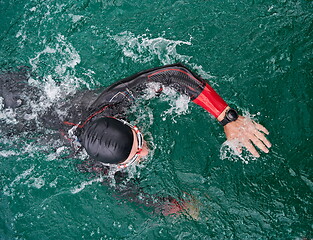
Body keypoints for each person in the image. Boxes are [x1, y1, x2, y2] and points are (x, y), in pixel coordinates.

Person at [0, 63, 271, 216]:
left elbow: (173, 74)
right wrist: (175, 206)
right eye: (134, 155)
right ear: (113, 166)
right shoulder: (96, 166)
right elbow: (130, 194)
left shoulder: (110, 102)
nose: (144, 153)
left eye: (138, 140)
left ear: (124, 121)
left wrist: (228, 117)